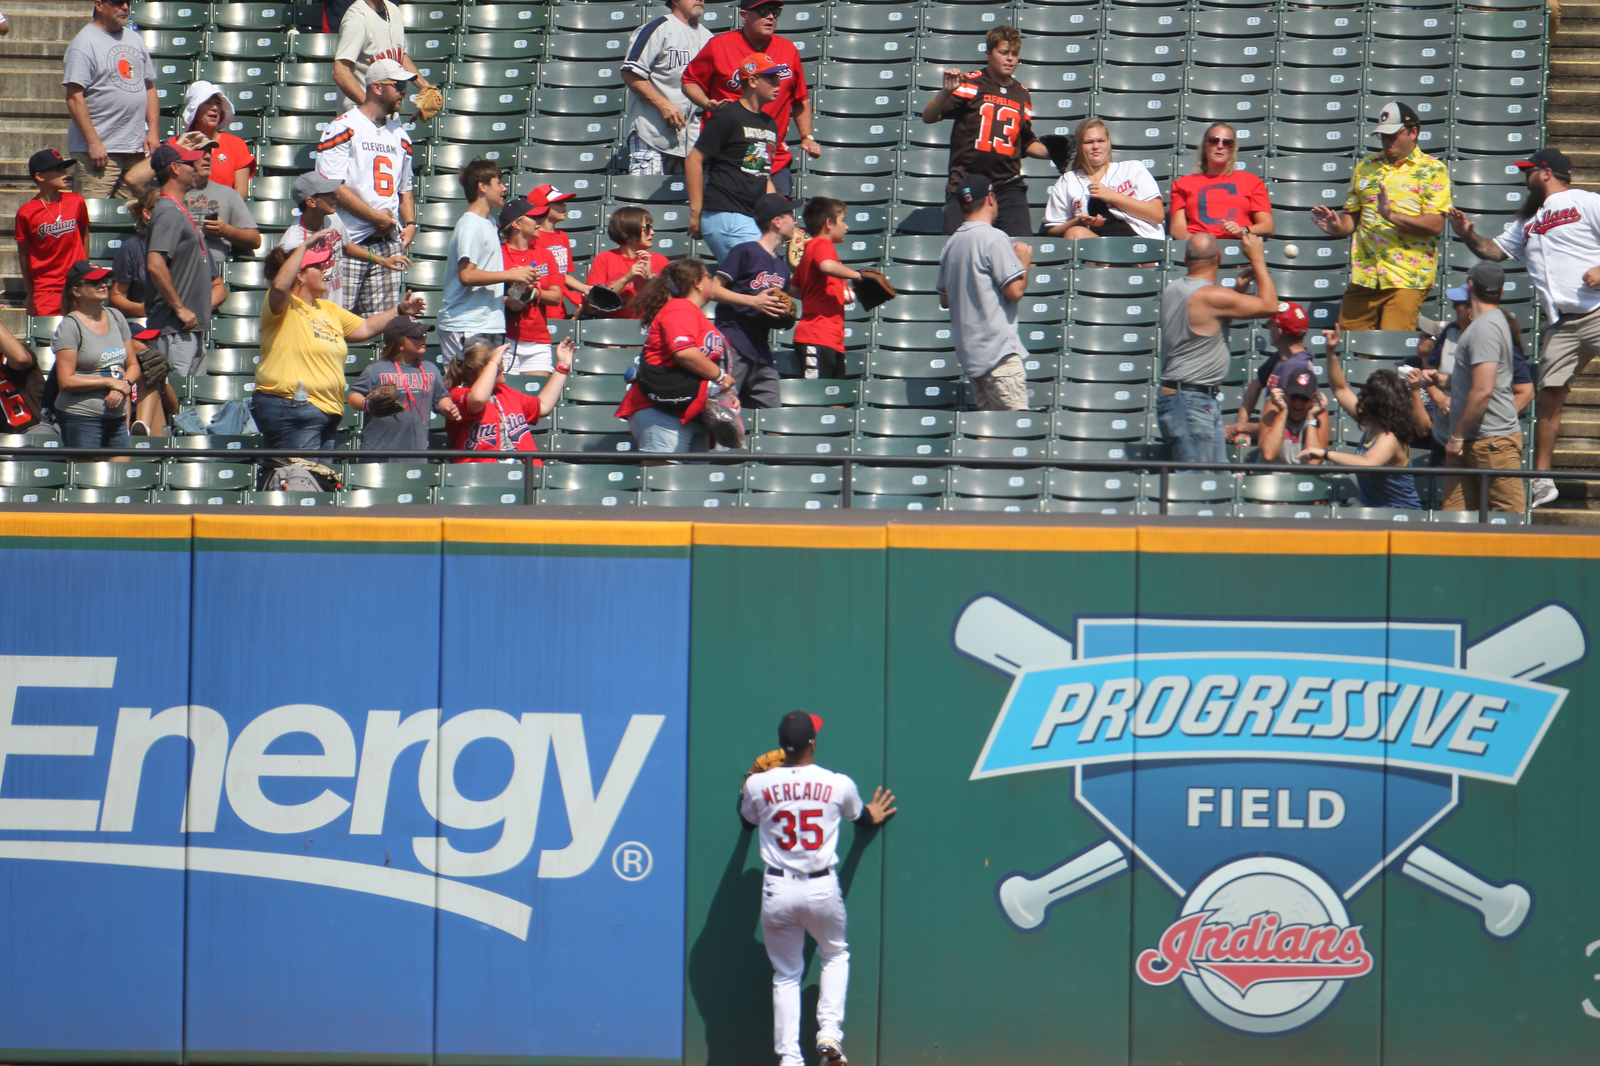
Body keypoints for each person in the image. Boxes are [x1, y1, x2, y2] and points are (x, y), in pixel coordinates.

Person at [738, 710, 897, 1066]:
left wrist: (752, 779)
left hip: (777, 889)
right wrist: (874, 813)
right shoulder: (837, 782)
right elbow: (863, 817)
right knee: (835, 953)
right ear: (812, 742)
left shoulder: (758, 784)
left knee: (786, 975)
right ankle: (828, 1036)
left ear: (780, 747)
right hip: (820, 887)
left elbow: (746, 822)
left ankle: (791, 1059)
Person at [1449, 147, 1599, 510]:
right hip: (1561, 322)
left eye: (1528, 170)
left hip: (1597, 310)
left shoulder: (1586, 201)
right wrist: (1468, 235)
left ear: (1546, 172)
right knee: (1549, 395)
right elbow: (1494, 252)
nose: (1523, 176)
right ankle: (1543, 481)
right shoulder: (1528, 218)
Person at [253, 234, 425, 451]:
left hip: (326, 410)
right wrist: (305, 245)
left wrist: (400, 310)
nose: (325, 269)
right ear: (300, 275)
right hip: (290, 406)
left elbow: (366, 327)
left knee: (317, 480)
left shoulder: (328, 309)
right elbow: (279, 286)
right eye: (317, 266)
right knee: (297, 478)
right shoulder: (284, 304)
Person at [1311, 101, 1450, 333]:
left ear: (1413, 131)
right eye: (1382, 136)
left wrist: (1391, 215)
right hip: (1365, 276)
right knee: (1348, 349)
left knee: (1391, 350)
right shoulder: (1365, 167)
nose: (1386, 141)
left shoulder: (1433, 170)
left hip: (1406, 278)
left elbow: (1435, 225)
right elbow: (1351, 219)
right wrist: (1338, 227)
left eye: (1393, 135)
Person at [921, 26, 1054, 238]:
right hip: (967, 182)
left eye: (1014, 54)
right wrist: (945, 92)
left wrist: (1055, 152)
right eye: (1003, 52)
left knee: (1022, 251)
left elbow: (1026, 143)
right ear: (988, 53)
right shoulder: (969, 83)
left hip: (1007, 185)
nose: (1009, 59)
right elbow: (929, 117)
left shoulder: (1022, 94)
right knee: (961, 250)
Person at [1159, 232, 1279, 462]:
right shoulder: (1211, 296)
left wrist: (1237, 294)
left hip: (1187, 398)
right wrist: (1257, 258)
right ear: (1219, 257)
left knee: (1213, 483)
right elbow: (1270, 305)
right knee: (1198, 482)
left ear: (1185, 258)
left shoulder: (1173, 288)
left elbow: (1208, 321)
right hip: (1191, 400)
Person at [682, 0, 816, 197]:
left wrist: (807, 137)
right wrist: (706, 103)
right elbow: (689, 81)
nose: (770, 16)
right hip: (727, 158)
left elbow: (800, 99)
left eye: (775, 11)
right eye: (763, 11)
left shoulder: (788, 50)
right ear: (744, 16)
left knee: (776, 223)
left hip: (773, 157)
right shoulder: (719, 46)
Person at [316, 58, 418, 316]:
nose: (404, 91)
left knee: (383, 327)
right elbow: (330, 186)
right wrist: (374, 217)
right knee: (333, 322)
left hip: (387, 243)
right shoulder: (343, 127)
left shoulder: (401, 135)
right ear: (376, 87)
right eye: (398, 85)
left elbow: (405, 187)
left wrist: (411, 224)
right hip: (347, 241)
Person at [613, 258, 733, 457]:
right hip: (661, 411)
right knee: (663, 481)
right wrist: (721, 377)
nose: (711, 281)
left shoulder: (690, 312)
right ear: (696, 283)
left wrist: (722, 394)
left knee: (692, 484)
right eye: (708, 276)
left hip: (690, 409)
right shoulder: (679, 308)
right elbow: (684, 352)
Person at [1407, 286, 1535, 469]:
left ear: (1471, 309)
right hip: (1446, 437)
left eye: (1457, 304)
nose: (1452, 308)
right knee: (1450, 497)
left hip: (1484, 441)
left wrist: (1492, 423)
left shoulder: (1496, 336)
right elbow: (1432, 376)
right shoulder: (1449, 332)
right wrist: (1440, 396)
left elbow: (1526, 392)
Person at [937, 176, 1034, 411]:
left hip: (972, 357)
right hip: (998, 354)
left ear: (961, 206)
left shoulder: (951, 244)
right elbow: (1015, 291)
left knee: (992, 434)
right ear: (991, 198)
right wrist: (1024, 263)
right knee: (1014, 432)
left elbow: (944, 299)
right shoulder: (994, 237)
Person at [1297, 331, 1421, 508]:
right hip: (1372, 510)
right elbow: (1340, 389)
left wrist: (1325, 453)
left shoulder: (1390, 437)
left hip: (1399, 515)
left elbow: (1368, 464)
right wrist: (1331, 352)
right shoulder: (1372, 422)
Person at [1438, 262, 1525, 513]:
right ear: (1501, 292)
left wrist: (1456, 437)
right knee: (1455, 522)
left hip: (1490, 441)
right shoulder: (1489, 323)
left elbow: (1483, 391)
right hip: (1472, 440)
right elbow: (1474, 383)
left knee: (1507, 521)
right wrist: (1437, 380)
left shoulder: (1485, 327)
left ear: (1470, 286)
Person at [687, 52, 782, 261]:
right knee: (759, 273)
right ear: (753, 81)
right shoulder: (726, 117)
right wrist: (696, 212)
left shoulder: (769, 123)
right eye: (772, 77)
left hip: (749, 216)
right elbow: (693, 159)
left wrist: (779, 213)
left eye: (779, 76)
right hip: (726, 214)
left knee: (760, 279)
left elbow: (761, 172)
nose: (779, 82)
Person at [439, 160, 533, 366]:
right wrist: (511, 275)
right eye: (498, 182)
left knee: (486, 391)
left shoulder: (489, 222)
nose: (504, 188)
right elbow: (467, 275)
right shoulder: (470, 226)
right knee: (465, 392)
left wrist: (517, 278)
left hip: (487, 322)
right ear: (482, 186)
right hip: (466, 323)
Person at [62, 0, 158, 199]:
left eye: (127, 2)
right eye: (116, 2)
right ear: (99, 5)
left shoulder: (135, 39)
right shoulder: (84, 43)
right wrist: (94, 142)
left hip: (135, 148)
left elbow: (149, 87)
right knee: (93, 220)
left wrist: (153, 131)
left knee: (132, 220)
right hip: (98, 153)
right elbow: (74, 97)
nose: (124, 7)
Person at [710, 193, 795, 408]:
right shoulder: (744, 251)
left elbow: (775, 309)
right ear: (777, 221)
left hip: (760, 349)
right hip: (734, 340)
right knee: (723, 409)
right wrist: (753, 302)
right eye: (791, 216)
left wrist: (783, 316)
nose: (795, 222)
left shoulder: (783, 267)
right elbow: (713, 289)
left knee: (774, 415)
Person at [144, 140, 214, 379]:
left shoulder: (175, 209)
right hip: (174, 328)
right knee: (175, 399)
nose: (195, 168)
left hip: (186, 330)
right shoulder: (167, 209)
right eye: (189, 163)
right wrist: (180, 307)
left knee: (189, 404)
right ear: (175, 167)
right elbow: (155, 264)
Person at [347, 314, 459, 460]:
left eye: (423, 335)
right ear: (399, 342)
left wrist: (449, 408)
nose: (423, 339)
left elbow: (441, 397)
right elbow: (352, 395)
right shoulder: (377, 369)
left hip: (416, 452)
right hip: (379, 452)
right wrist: (367, 404)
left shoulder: (430, 369)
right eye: (416, 336)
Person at [50, 261, 135, 452]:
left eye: (104, 280)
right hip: (81, 415)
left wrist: (123, 386)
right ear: (76, 291)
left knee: (120, 477)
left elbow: (133, 364)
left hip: (117, 415)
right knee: (84, 476)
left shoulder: (116, 316)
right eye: (94, 282)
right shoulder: (70, 326)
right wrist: (109, 383)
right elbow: (65, 381)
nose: (103, 285)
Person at [444, 337, 573, 461]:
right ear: (487, 370)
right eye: (500, 365)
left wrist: (562, 367)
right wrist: (493, 362)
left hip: (522, 470)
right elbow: (478, 399)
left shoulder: (504, 392)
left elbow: (543, 406)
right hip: (479, 475)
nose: (503, 368)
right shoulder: (457, 395)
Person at [622, 0, 713, 176]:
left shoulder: (709, 38)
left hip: (690, 140)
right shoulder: (658, 29)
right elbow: (630, 73)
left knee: (685, 203)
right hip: (651, 132)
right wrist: (663, 104)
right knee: (647, 200)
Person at [1042, 118, 1166, 240]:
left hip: (1138, 241)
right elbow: (1053, 231)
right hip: (1095, 245)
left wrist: (1112, 196)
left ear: (1108, 142)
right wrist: (1078, 222)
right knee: (1075, 233)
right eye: (1088, 142)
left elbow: (1157, 215)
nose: (1096, 146)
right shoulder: (1067, 181)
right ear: (1079, 146)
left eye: (1101, 140)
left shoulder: (1132, 168)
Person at [793, 197, 862, 380]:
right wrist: (858, 276)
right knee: (817, 400)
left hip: (831, 340)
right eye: (843, 220)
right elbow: (827, 267)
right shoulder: (821, 244)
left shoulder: (811, 248)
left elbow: (794, 289)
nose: (846, 227)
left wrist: (819, 296)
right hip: (817, 337)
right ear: (829, 223)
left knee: (834, 400)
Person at [15, 148, 89, 317]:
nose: (64, 173)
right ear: (40, 176)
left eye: (64, 168)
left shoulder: (76, 201)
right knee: (47, 339)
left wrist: (84, 269)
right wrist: (30, 292)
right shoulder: (26, 212)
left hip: (77, 284)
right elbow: (24, 256)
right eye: (57, 169)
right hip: (46, 289)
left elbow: (84, 235)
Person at [1169, 123, 1273, 239]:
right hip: (1200, 251)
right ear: (1204, 146)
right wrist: (1199, 244)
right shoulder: (1182, 184)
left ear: (1233, 149)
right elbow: (1177, 227)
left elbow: (1267, 226)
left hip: (1239, 246)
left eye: (1227, 142)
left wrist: (1244, 230)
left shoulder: (1252, 182)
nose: (1220, 146)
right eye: (1214, 141)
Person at [498, 196, 565, 374]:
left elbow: (556, 297)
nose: (539, 222)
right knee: (507, 398)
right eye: (534, 218)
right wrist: (506, 299)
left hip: (538, 338)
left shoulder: (546, 255)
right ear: (517, 224)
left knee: (537, 399)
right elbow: (480, 292)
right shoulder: (497, 254)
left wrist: (533, 292)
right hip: (505, 337)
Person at [1230, 302, 1313, 445]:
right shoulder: (1283, 357)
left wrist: (1238, 428)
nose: (1268, 327)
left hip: (1284, 455)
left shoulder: (1294, 368)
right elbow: (1255, 386)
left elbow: (1284, 425)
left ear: (1278, 332)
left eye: (1270, 324)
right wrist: (1241, 431)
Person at [334, 0, 432, 111]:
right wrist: (369, 107)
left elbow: (399, 54)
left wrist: (425, 87)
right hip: (360, 115)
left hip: (388, 109)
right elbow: (340, 72)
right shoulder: (357, 20)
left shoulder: (393, 10)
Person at [586, 206, 669, 317]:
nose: (652, 232)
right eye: (647, 227)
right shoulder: (604, 258)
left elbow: (670, 304)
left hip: (650, 327)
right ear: (630, 229)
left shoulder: (660, 261)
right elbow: (592, 306)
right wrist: (626, 278)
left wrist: (650, 278)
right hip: (614, 328)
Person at [178, 82, 254, 197]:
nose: (214, 108)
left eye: (218, 103)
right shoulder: (176, 144)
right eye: (207, 102)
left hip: (224, 212)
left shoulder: (236, 144)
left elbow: (241, 192)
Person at [528, 184, 592, 320]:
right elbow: (546, 276)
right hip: (539, 307)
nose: (564, 206)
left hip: (558, 308)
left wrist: (586, 289)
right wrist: (573, 296)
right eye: (558, 202)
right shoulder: (533, 237)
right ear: (543, 207)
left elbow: (563, 275)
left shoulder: (562, 236)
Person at [1255, 367, 1329, 465]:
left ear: (1313, 398)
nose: (1298, 403)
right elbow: (1269, 453)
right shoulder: (1273, 407)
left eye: (1304, 398)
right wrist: (1283, 411)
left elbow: (1313, 462)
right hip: (1274, 477)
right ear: (1285, 393)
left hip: (1306, 478)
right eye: (1293, 396)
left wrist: (1311, 418)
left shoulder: (1319, 413)